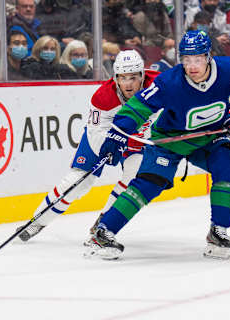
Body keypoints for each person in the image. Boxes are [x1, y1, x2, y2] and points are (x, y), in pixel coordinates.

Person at [85, 30, 230, 260]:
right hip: (169, 139)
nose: (192, 66)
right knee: (152, 181)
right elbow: (137, 107)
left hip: (208, 138)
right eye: (186, 59)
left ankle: (218, 232)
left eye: (197, 59)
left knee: (227, 166)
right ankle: (103, 232)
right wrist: (118, 133)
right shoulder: (169, 82)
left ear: (208, 56)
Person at [17, 50, 160, 242]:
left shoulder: (159, 85)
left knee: (134, 177)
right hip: (106, 137)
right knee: (80, 180)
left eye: (133, 78)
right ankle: (37, 221)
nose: (128, 84)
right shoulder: (103, 98)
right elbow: (96, 132)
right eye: (122, 78)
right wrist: (108, 148)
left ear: (142, 76)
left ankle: (105, 221)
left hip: (140, 139)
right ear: (115, 77)